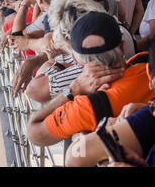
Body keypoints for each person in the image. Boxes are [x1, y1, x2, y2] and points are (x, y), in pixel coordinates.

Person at [27, 11, 153, 147]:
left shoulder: (87, 107)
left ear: (77, 60)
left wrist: (72, 89)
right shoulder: (145, 63)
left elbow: (34, 133)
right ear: (123, 47)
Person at [65, 36, 155, 167]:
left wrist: (72, 90)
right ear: (123, 47)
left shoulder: (88, 103)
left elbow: (76, 154)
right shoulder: (146, 110)